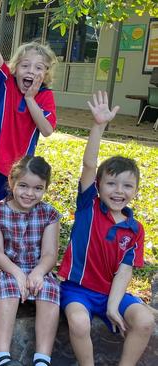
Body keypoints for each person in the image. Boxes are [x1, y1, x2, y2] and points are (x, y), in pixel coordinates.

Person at [58, 91, 156, 366]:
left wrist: (114, 306)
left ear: (135, 191)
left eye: (127, 186)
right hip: (78, 290)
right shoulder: (88, 207)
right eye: (111, 184)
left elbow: (125, 272)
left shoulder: (135, 229)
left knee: (145, 320)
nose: (118, 191)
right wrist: (98, 125)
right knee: (78, 322)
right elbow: (89, 164)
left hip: (112, 293)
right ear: (98, 186)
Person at [0, 0, 58, 218]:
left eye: (39, 67)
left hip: (22, 169)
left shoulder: (45, 96)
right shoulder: (6, 84)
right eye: (26, 65)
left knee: (14, 212)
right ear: (15, 67)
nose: (31, 71)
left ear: (46, 74)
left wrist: (30, 99)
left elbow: (47, 130)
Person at [0, 156, 61, 366]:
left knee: (49, 288)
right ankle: (2, 356)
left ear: (45, 188)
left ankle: (42, 358)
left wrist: (37, 273)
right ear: (11, 182)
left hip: (37, 267)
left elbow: (49, 254)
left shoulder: (49, 214)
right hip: (5, 267)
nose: (29, 193)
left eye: (38, 188)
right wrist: (18, 274)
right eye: (24, 186)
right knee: (9, 286)